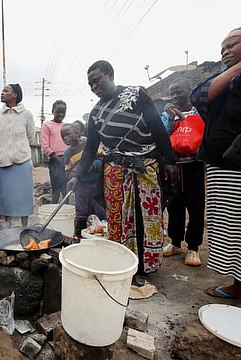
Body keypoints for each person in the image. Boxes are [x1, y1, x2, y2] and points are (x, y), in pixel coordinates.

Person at [190, 21, 241, 315]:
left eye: (232, 45)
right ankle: (239, 285)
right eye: (222, 48)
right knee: (227, 228)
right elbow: (199, 96)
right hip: (221, 168)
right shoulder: (226, 79)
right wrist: (239, 66)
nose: (225, 52)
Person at [68, 60, 178, 275]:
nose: (93, 86)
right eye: (90, 84)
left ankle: (145, 267)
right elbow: (90, 148)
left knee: (145, 217)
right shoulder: (96, 112)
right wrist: (77, 176)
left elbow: (157, 127)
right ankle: (124, 265)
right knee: (118, 220)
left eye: (96, 80)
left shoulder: (136, 94)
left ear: (110, 74)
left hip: (145, 168)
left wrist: (170, 161)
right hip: (115, 173)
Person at [160, 78, 205, 267]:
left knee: (195, 206)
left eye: (179, 91)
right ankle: (176, 242)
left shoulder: (200, 111)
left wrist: (184, 118)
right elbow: (162, 134)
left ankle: (193, 247)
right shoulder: (167, 114)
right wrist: (171, 117)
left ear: (189, 90)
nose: (175, 96)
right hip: (174, 165)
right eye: (172, 93)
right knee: (175, 205)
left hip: (194, 166)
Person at [0, 83, 35, 228]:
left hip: (22, 160)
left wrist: (19, 149)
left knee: (24, 195)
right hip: (4, 161)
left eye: (6, 91)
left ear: (15, 95)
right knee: (6, 197)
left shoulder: (27, 114)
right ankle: (8, 226)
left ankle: (25, 225)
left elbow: (31, 137)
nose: (2, 93)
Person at [61, 122, 106, 239]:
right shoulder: (67, 154)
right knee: (81, 211)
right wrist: (74, 175)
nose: (65, 138)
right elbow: (67, 172)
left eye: (68, 134)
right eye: (62, 137)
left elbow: (101, 159)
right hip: (81, 186)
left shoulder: (90, 145)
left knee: (100, 208)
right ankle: (79, 236)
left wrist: (94, 165)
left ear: (77, 132)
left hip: (95, 184)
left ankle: (104, 232)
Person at [42, 100, 68, 203]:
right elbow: (45, 146)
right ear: (53, 111)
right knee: (56, 189)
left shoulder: (66, 126)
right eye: (58, 112)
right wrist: (56, 158)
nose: (61, 114)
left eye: (63, 112)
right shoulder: (47, 125)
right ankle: (54, 213)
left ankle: (66, 212)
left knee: (66, 189)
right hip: (55, 160)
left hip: (67, 160)